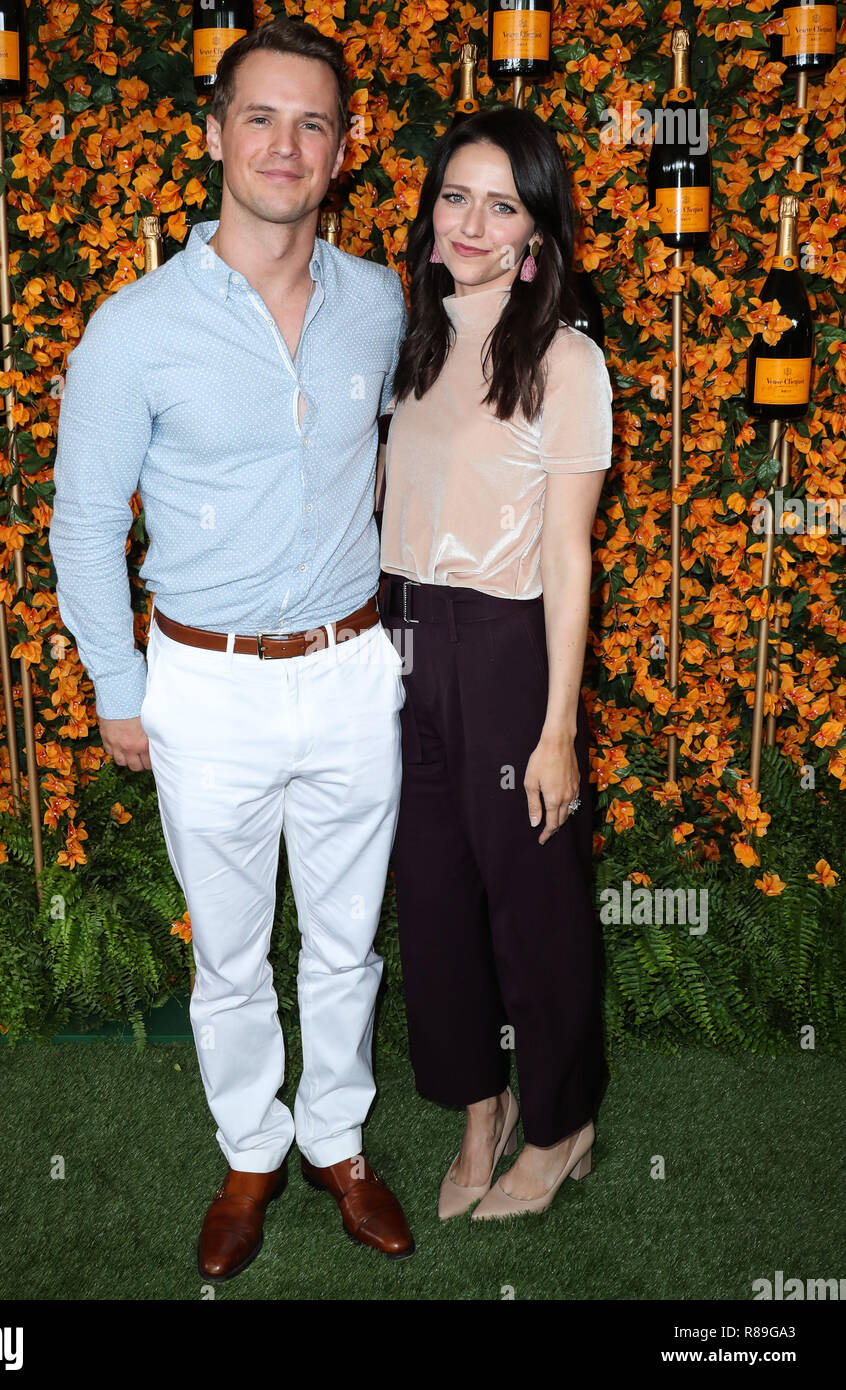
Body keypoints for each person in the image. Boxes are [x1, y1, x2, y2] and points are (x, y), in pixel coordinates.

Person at [49, 18, 415, 1280]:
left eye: (311, 122)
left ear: (342, 150)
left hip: (354, 668)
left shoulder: (380, 301)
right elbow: (85, 523)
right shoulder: (133, 327)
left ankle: (338, 1139)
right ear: (213, 134)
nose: (284, 143)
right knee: (226, 950)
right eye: (259, 116)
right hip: (200, 679)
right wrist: (119, 687)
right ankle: (252, 1149)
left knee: (347, 939)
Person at [377, 107, 612, 1222]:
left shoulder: (563, 358)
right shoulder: (413, 341)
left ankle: (561, 1125)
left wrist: (556, 728)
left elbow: (568, 554)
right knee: (429, 898)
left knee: (532, 902)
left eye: (501, 203)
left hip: (505, 646)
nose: (471, 222)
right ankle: (481, 1106)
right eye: (454, 196)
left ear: (534, 234)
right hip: (400, 640)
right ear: (431, 215)